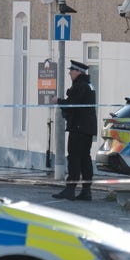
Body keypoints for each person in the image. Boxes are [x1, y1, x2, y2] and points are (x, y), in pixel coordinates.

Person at [51, 60, 97, 201]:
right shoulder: (88, 85)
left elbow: (72, 105)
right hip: (86, 127)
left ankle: (70, 189)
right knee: (84, 158)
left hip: (79, 127)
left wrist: (59, 101)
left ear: (78, 72)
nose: (70, 72)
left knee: (75, 157)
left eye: (72, 70)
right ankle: (86, 190)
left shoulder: (80, 86)